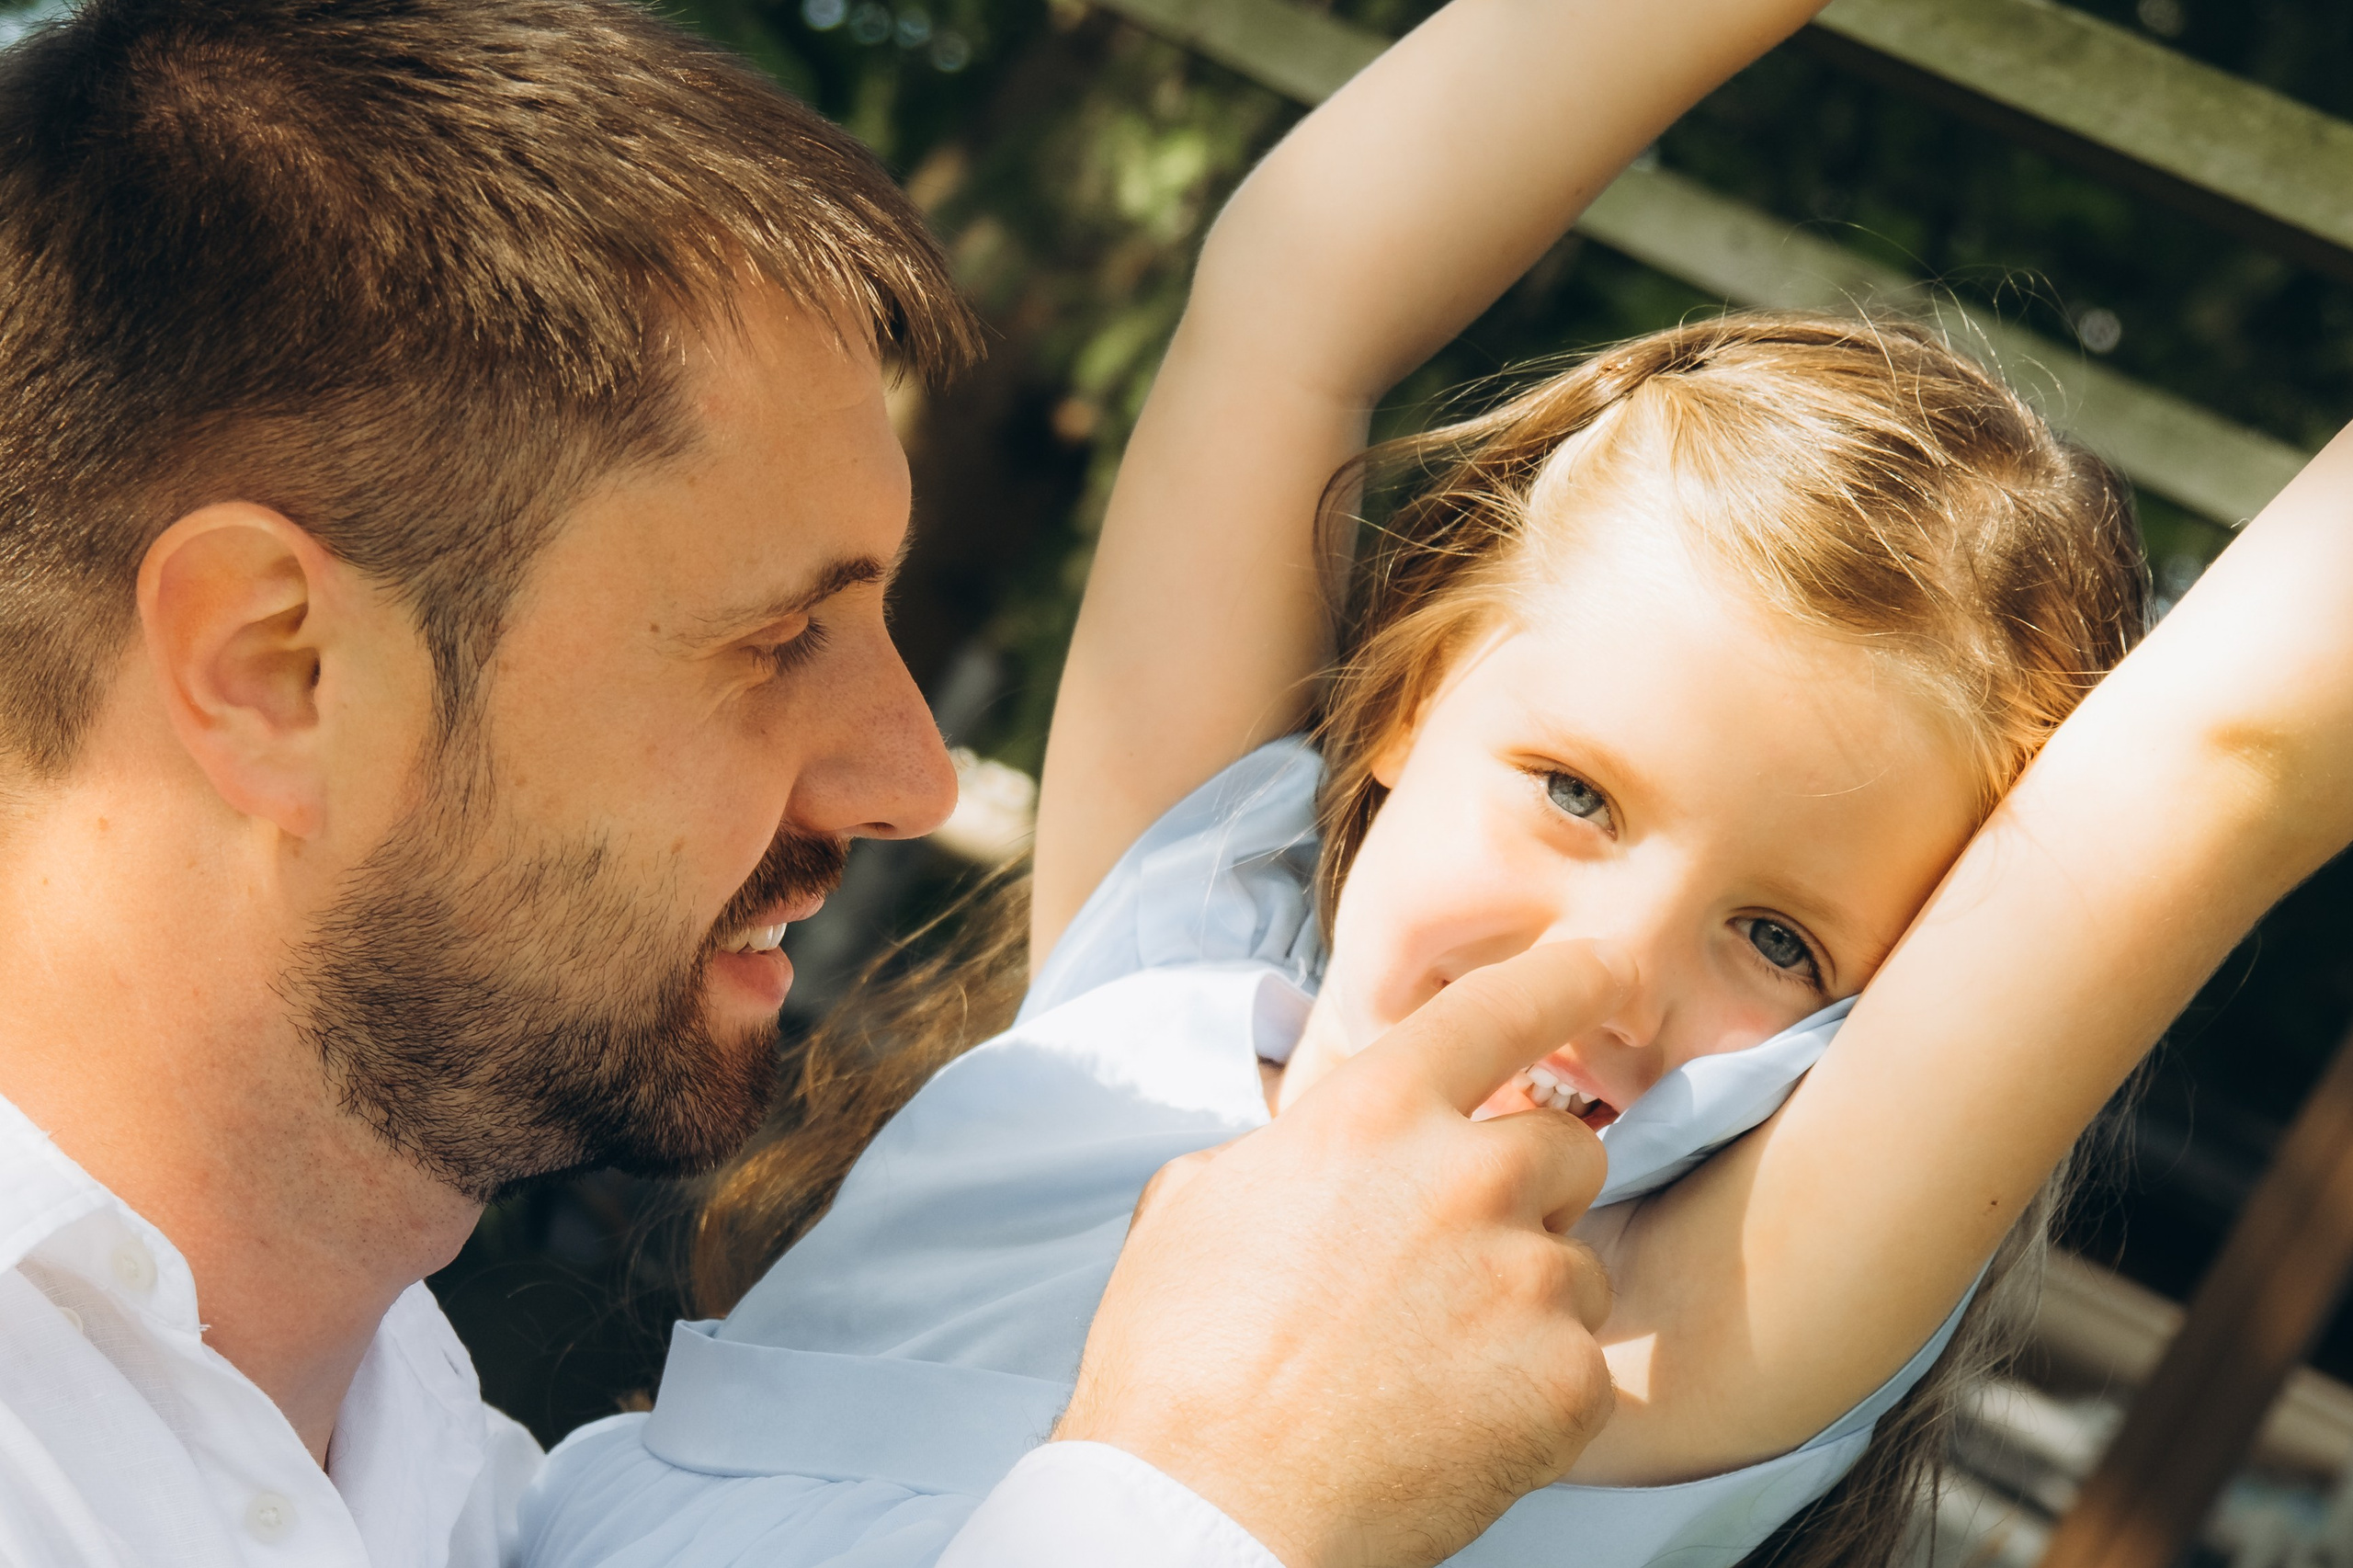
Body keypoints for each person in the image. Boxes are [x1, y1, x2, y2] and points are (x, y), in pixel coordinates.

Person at [514, 0, 2353, 1563]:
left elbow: (2218, 760)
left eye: (1781, 938)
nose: (1615, 968)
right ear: (1405, 701)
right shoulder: (1158, 969)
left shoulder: (1652, 1326)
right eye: (1573, 793)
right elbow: (1294, 292)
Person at [0, 3, 1654, 1566]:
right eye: (779, 637)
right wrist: (1205, 1503)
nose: (915, 779)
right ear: (278, 666)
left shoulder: (403, 1445)